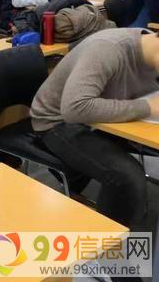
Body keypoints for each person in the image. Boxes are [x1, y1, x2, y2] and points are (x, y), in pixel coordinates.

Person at [31, 28, 159, 229]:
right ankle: (107, 243)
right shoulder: (107, 49)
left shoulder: (150, 52)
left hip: (98, 119)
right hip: (55, 122)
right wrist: (147, 107)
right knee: (126, 176)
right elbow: (75, 109)